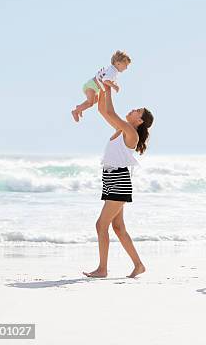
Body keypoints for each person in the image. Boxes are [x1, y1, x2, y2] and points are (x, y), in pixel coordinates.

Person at [83, 82, 154, 278]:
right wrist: (99, 86)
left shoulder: (131, 133)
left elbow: (111, 112)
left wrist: (107, 89)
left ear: (139, 121)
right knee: (118, 227)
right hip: (110, 178)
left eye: (137, 111)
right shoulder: (120, 129)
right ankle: (139, 265)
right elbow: (103, 110)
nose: (132, 110)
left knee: (101, 225)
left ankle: (102, 269)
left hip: (119, 180)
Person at [71, 50, 131, 122]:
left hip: (94, 87)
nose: (126, 68)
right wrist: (114, 86)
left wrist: (114, 84)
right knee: (90, 103)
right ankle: (75, 111)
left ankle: (80, 107)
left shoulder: (112, 69)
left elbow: (109, 79)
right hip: (92, 86)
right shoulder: (112, 71)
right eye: (126, 65)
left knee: (95, 100)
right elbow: (105, 80)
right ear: (118, 63)